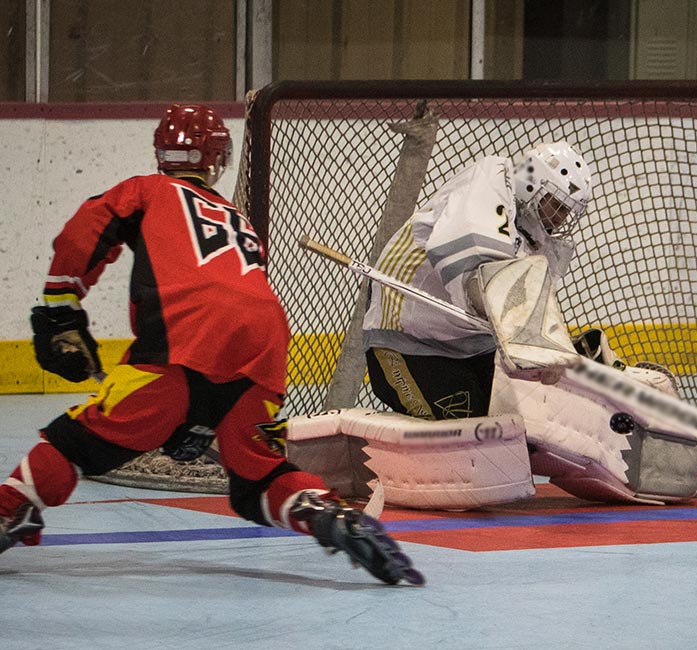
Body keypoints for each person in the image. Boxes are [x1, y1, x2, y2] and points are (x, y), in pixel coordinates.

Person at [0, 104, 422, 586]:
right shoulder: (236, 217)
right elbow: (231, 293)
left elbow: (90, 225)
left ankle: (10, 508)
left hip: (185, 339)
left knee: (75, 442)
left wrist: (60, 306)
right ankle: (327, 514)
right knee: (256, 473)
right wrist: (197, 415)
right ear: (217, 158)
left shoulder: (148, 189)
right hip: (265, 346)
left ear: (161, 152)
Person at [362, 141, 594, 420]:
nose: (559, 218)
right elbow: (478, 277)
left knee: (519, 429)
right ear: (533, 183)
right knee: (474, 436)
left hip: (471, 349)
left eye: (566, 211)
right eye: (556, 205)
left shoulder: (536, 238)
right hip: (408, 342)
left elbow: (522, 309)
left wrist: (552, 349)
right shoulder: (491, 181)